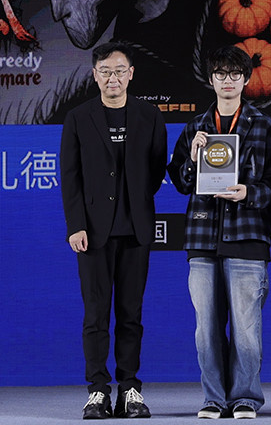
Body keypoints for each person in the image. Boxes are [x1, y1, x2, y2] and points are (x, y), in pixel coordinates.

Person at [167, 45, 271, 420]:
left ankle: (245, 396)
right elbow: (180, 182)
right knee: (206, 329)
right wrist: (193, 160)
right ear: (211, 79)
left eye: (235, 74)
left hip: (248, 237)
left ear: (246, 79)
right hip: (203, 239)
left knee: (247, 329)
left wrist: (248, 192)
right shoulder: (195, 127)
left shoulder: (264, 126)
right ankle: (214, 398)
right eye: (221, 73)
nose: (228, 80)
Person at [60, 41, 167, 419]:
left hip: (136, 230)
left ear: (131, 74)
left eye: (120, 71)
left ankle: (130, 389)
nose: (113, 78)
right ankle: (97, 390)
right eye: (105, 72)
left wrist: (135, 202)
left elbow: (156, 170)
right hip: (92, 233)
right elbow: (69, 176)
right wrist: (76, 225)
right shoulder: (78, 117)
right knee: (95, 314)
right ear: (95, 75)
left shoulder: (150, 116)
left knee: (130, 314)